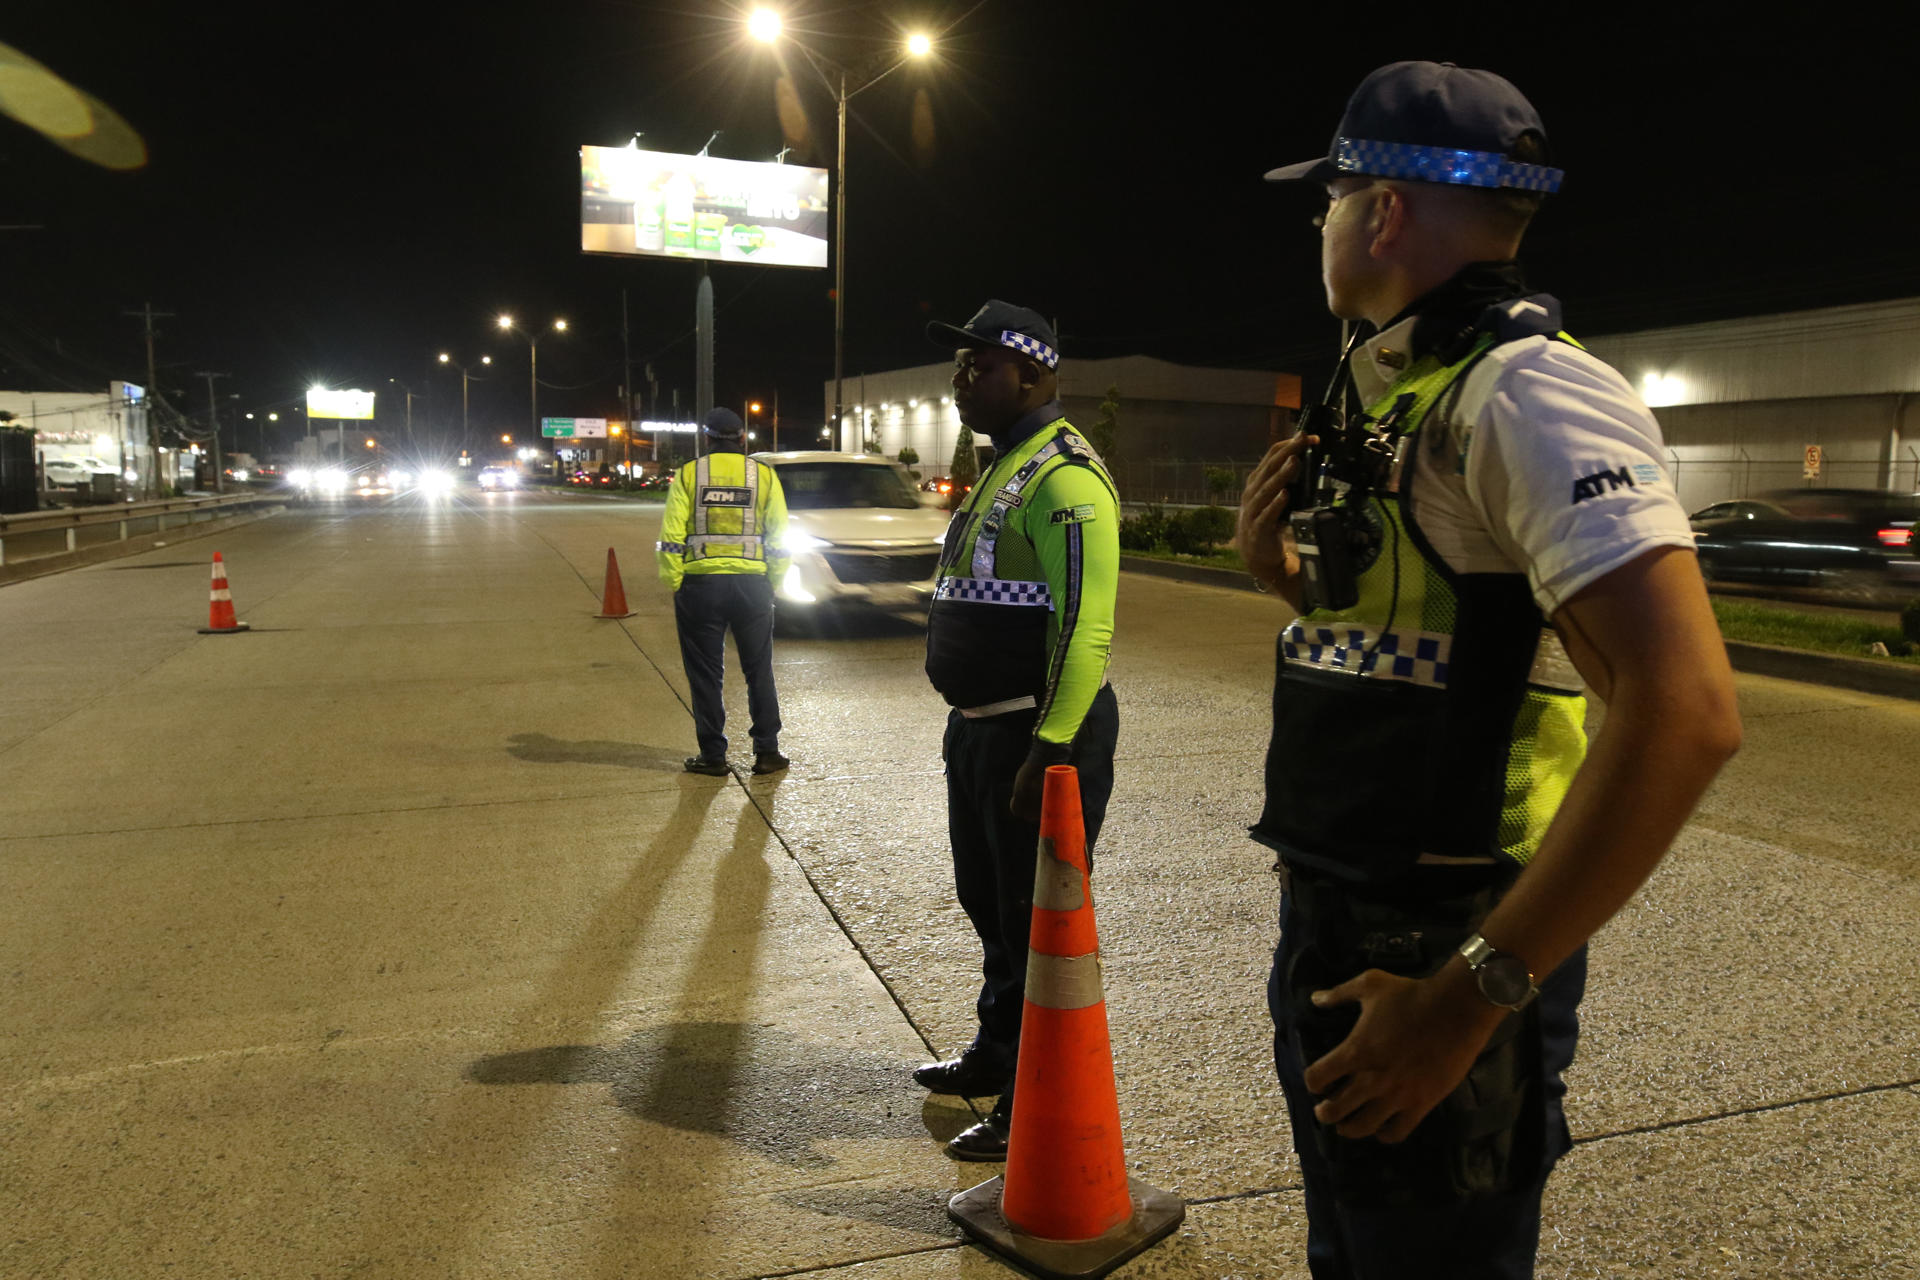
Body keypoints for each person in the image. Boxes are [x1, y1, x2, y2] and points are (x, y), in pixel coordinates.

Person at [1242, 62, 1742, 1278]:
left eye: (1331, 196)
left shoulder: (1530, 390)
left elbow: (1686, 712)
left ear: (1384, 211)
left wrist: (1472, 996)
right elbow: (1464, 653)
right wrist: (1293, 585)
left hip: (1448, 944)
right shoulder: (1412, 386)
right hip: (1345, 915)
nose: (1323, 224)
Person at [912, 300, 1122, 1160]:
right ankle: (997, 1052)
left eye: (981, 367)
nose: (963, 382)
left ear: (1033, 376)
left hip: (1037, 736)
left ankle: (1030, 1106)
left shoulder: (1065, 479)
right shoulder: (1007, 467)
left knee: (1037, 927)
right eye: (960, 366)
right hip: (982, 732)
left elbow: (1086, 629)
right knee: (990, 907)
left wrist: (1053, 748)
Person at [655, 406, 791, 777]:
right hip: (752, 584)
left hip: (700, 585)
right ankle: (767, 752)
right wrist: (772, 580)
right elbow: (779, 536)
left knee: (705, 673)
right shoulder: (763, 476)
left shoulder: (689, 474)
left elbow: (671, 537)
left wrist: (674, 581)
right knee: (758, 669)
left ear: (707, 438)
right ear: (741, 438)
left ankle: (713, 755)